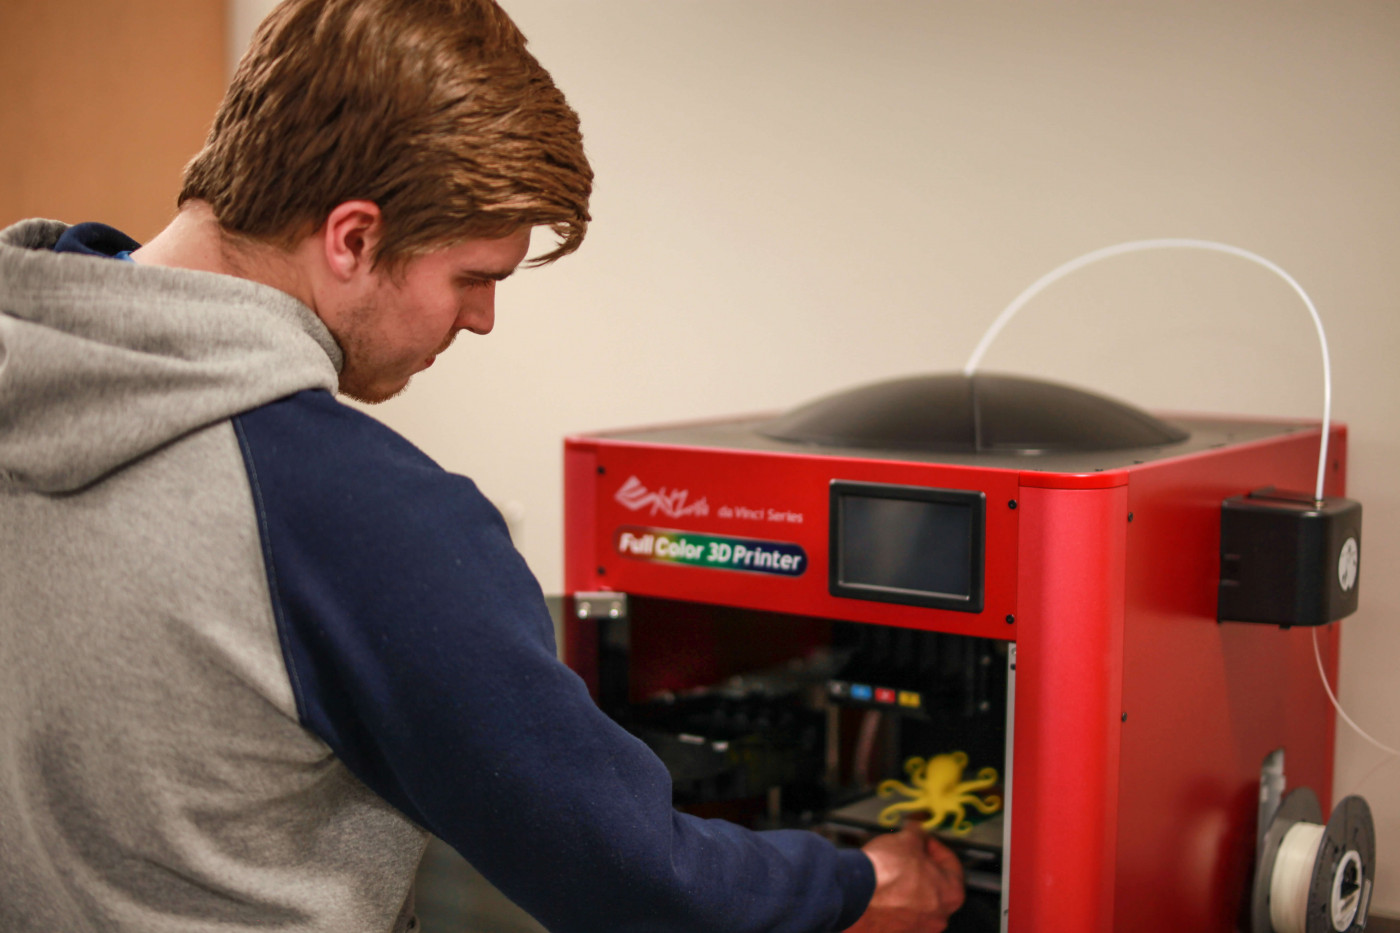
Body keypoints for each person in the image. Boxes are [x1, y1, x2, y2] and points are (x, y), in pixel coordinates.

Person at [0, 0, 965, 930]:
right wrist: (852, 884)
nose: (482, 319)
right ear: (354, 236)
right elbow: (631, 879)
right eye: (474, 277)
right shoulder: (349, 511)